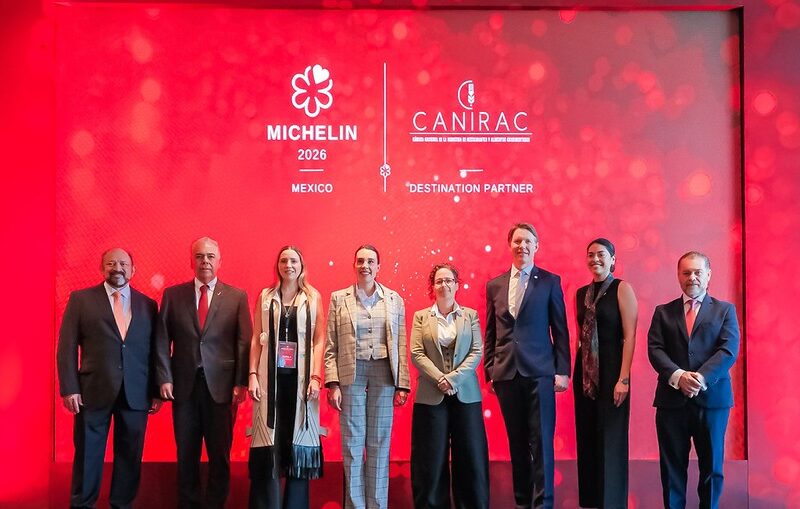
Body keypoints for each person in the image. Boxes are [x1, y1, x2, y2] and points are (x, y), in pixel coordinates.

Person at [57, 248, 160, 509]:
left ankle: (122, 505)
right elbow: (66, 346)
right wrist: (69, 388)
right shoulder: (81, 300)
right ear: (102, 268)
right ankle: (82, 504)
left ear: (133, 270)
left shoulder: (148, 305)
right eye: (111, 263)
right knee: (88, 454)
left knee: (130, 456)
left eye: (123, 263)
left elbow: (155, 350)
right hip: (92, 392)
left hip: (136, 392)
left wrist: (156, 389)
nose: (118, 268)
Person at [155, 236, 252, 509]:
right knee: (186, 454)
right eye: (199, 256)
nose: (205, 261)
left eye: (210, 256)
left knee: (220, 455)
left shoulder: (236, 297)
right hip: (183, 387)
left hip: (222, 389)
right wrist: (164, 377)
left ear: (220, 262)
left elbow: (244, 342)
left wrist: (240, 382)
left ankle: (216, 505)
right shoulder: (173, 295)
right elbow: (161, 340)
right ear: (191, 262)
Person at [484, 223, 570, 509]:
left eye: (528, 241)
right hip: (506, 373)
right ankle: (522, 503)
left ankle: (544, 503)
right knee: (517, 443)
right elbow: (491, 332)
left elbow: (560, 330)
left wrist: (562, 370)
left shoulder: (549, 281)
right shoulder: (495, 285)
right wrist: (489, 370)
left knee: (542, 442)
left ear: (536, 246)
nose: (522, 246)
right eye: (517, 241)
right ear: (510, 245)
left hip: (540, 373)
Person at [648, 251, 740, 509]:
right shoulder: (663, 312)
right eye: (686, 272)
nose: (692, 277)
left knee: (712, 469)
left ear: (708, 275)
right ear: (678, 276)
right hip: (671, 402)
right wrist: (678, 377)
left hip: (712, 401)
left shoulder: (725, 310)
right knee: (671, 470)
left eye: (698, 272)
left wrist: (699, 378)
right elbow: (655, 349)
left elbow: (728, 350)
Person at [324, 244, 410, 509]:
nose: (365, 266)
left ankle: (377, 505)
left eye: (370, 261)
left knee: (379, 443)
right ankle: (355, 505)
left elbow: (401, 344)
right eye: (360, 261)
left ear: (378, 266)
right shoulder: (339, 298)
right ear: (354, 265)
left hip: (384, 373)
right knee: (352, 443)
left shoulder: (394, 299)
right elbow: (331, 344)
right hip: (351, 372)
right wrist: (333, 383)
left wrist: (402, 384)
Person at [247, 246, 325, 509]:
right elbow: (256, 339)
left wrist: (316, 377)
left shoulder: (313, 297)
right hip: (270, 382)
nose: (288, 265)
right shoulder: (266, 296)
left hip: (300, 383)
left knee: (297, 445)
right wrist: (252, 374)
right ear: (277, 265)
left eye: (293, 261)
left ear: (301, 266)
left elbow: (319, 340)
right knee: (270, 443)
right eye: (283, 260)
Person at [410, 263, 489, 509]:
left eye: (449, 280)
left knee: (470, 457)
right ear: (432, 287)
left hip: (466, 395)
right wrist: (440, 379)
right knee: (430, 460)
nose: (444, 285)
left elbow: (477, 351)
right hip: (430, 396)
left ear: (457, 285)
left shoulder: (470, 315)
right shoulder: (421, 317)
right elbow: (416, 353)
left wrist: (452, 379)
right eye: (439, 281)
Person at [573, 238, 638, 509]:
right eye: (590, 255)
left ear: (613, 259)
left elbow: (630, 336)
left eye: (601, 254)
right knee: (587, 436)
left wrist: (624, 378)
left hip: (613, 372)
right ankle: (591, 502)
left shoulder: (622, 288)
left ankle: (612, 503)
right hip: (585, 374)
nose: (595, 259)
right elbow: (580, 337)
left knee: (611, 439)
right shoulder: (580, 293)